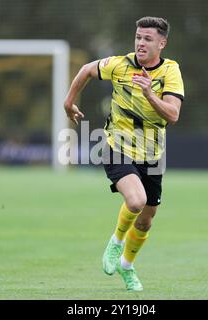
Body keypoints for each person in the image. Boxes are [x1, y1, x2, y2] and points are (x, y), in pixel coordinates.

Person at [64, 17, 184, 291]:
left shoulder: (170, 72)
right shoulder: (120, 64)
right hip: (117, 146)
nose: (141, 43)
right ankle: (115, 244)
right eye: (138, 37)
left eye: (148, 39)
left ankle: (127, 266)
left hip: (152, 155)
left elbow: (173, 114)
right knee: (136, 201)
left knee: (146, 218)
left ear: (161, 43)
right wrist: (68, 102)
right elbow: (85, 70)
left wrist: (150, 94)